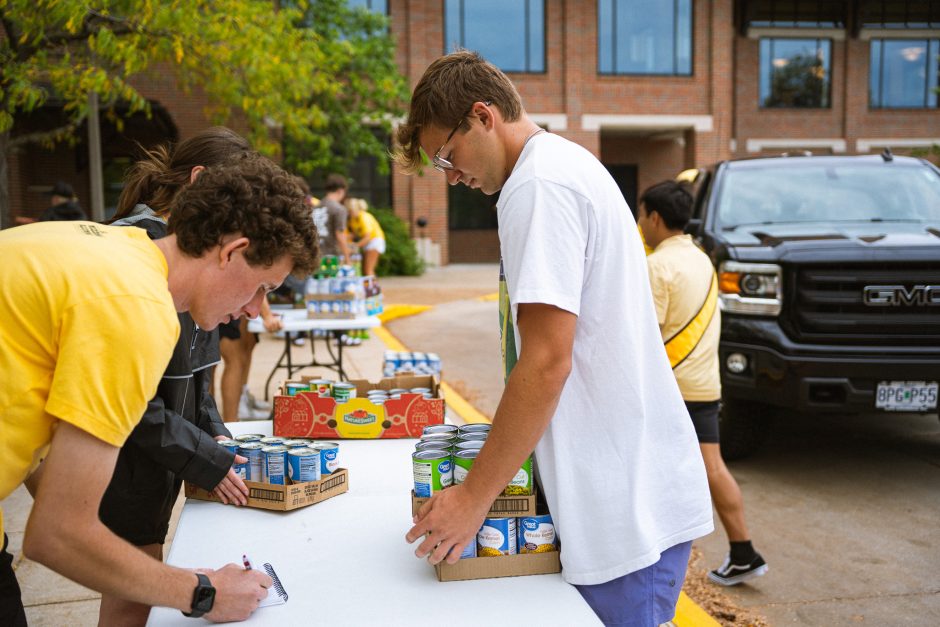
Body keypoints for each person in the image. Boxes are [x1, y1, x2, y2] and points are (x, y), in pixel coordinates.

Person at [396, 51, 713, 626]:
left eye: (446, 155)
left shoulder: (538, 186)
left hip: (624, 512)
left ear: (482, 116)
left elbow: (545, 362)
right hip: (623, 492)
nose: (450, 176)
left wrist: (472, 498)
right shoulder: (559, 166)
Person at [0, 152, 319, 624]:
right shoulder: (137, 309)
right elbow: (56, 536)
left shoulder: (109, 246)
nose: (255, 311)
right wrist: (204, 592)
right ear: (232, 251)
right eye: (262, 288)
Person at [96, 127, 263, 625]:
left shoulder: (193, 254)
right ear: (200, 181)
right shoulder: (144, 252)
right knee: (129, 591)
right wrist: (205, 457)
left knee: (135, 587)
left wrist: (215, 435)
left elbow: (196, 372)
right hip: (129, 458)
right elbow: (131, 401)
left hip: (162, 455)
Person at [637, 180, 768, 587]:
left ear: (655, 218)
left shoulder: (658, 265)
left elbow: (648, 335)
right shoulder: (700, 259)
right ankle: (743, 550)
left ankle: (649, 560)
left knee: (646, 471)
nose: (640, 224)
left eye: (642, 215)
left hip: (670, 388)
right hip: (704, 384)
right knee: (713, 468)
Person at [313, 173, 351, 264]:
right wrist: (347, 258)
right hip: (330, 257)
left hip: (314, 255)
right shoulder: (339, 209)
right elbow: (340, 236)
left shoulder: (316, 206)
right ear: (340, 191)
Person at [344, 197, 386, 277]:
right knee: (366, 269)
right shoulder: (353, 220)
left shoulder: (364, 217)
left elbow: (367, 237)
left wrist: (354, 246)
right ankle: (371, 287)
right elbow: (352, 234)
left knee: (368, 269)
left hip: (375, 241)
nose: (349, 213)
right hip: (368, 243)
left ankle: (373, 288)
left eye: (350, 211)